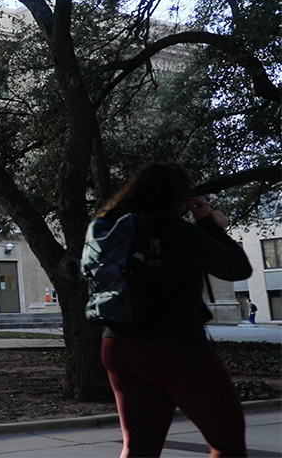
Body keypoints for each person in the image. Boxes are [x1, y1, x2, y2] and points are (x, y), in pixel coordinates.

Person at [90, 162, 252, 458]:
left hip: (118, 345)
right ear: (178, 196)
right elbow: (238, 268)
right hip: (176, 347)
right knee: (227, 444)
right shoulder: (173, 230)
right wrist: (208, 223)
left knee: (139, 449)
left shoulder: (110, 228)